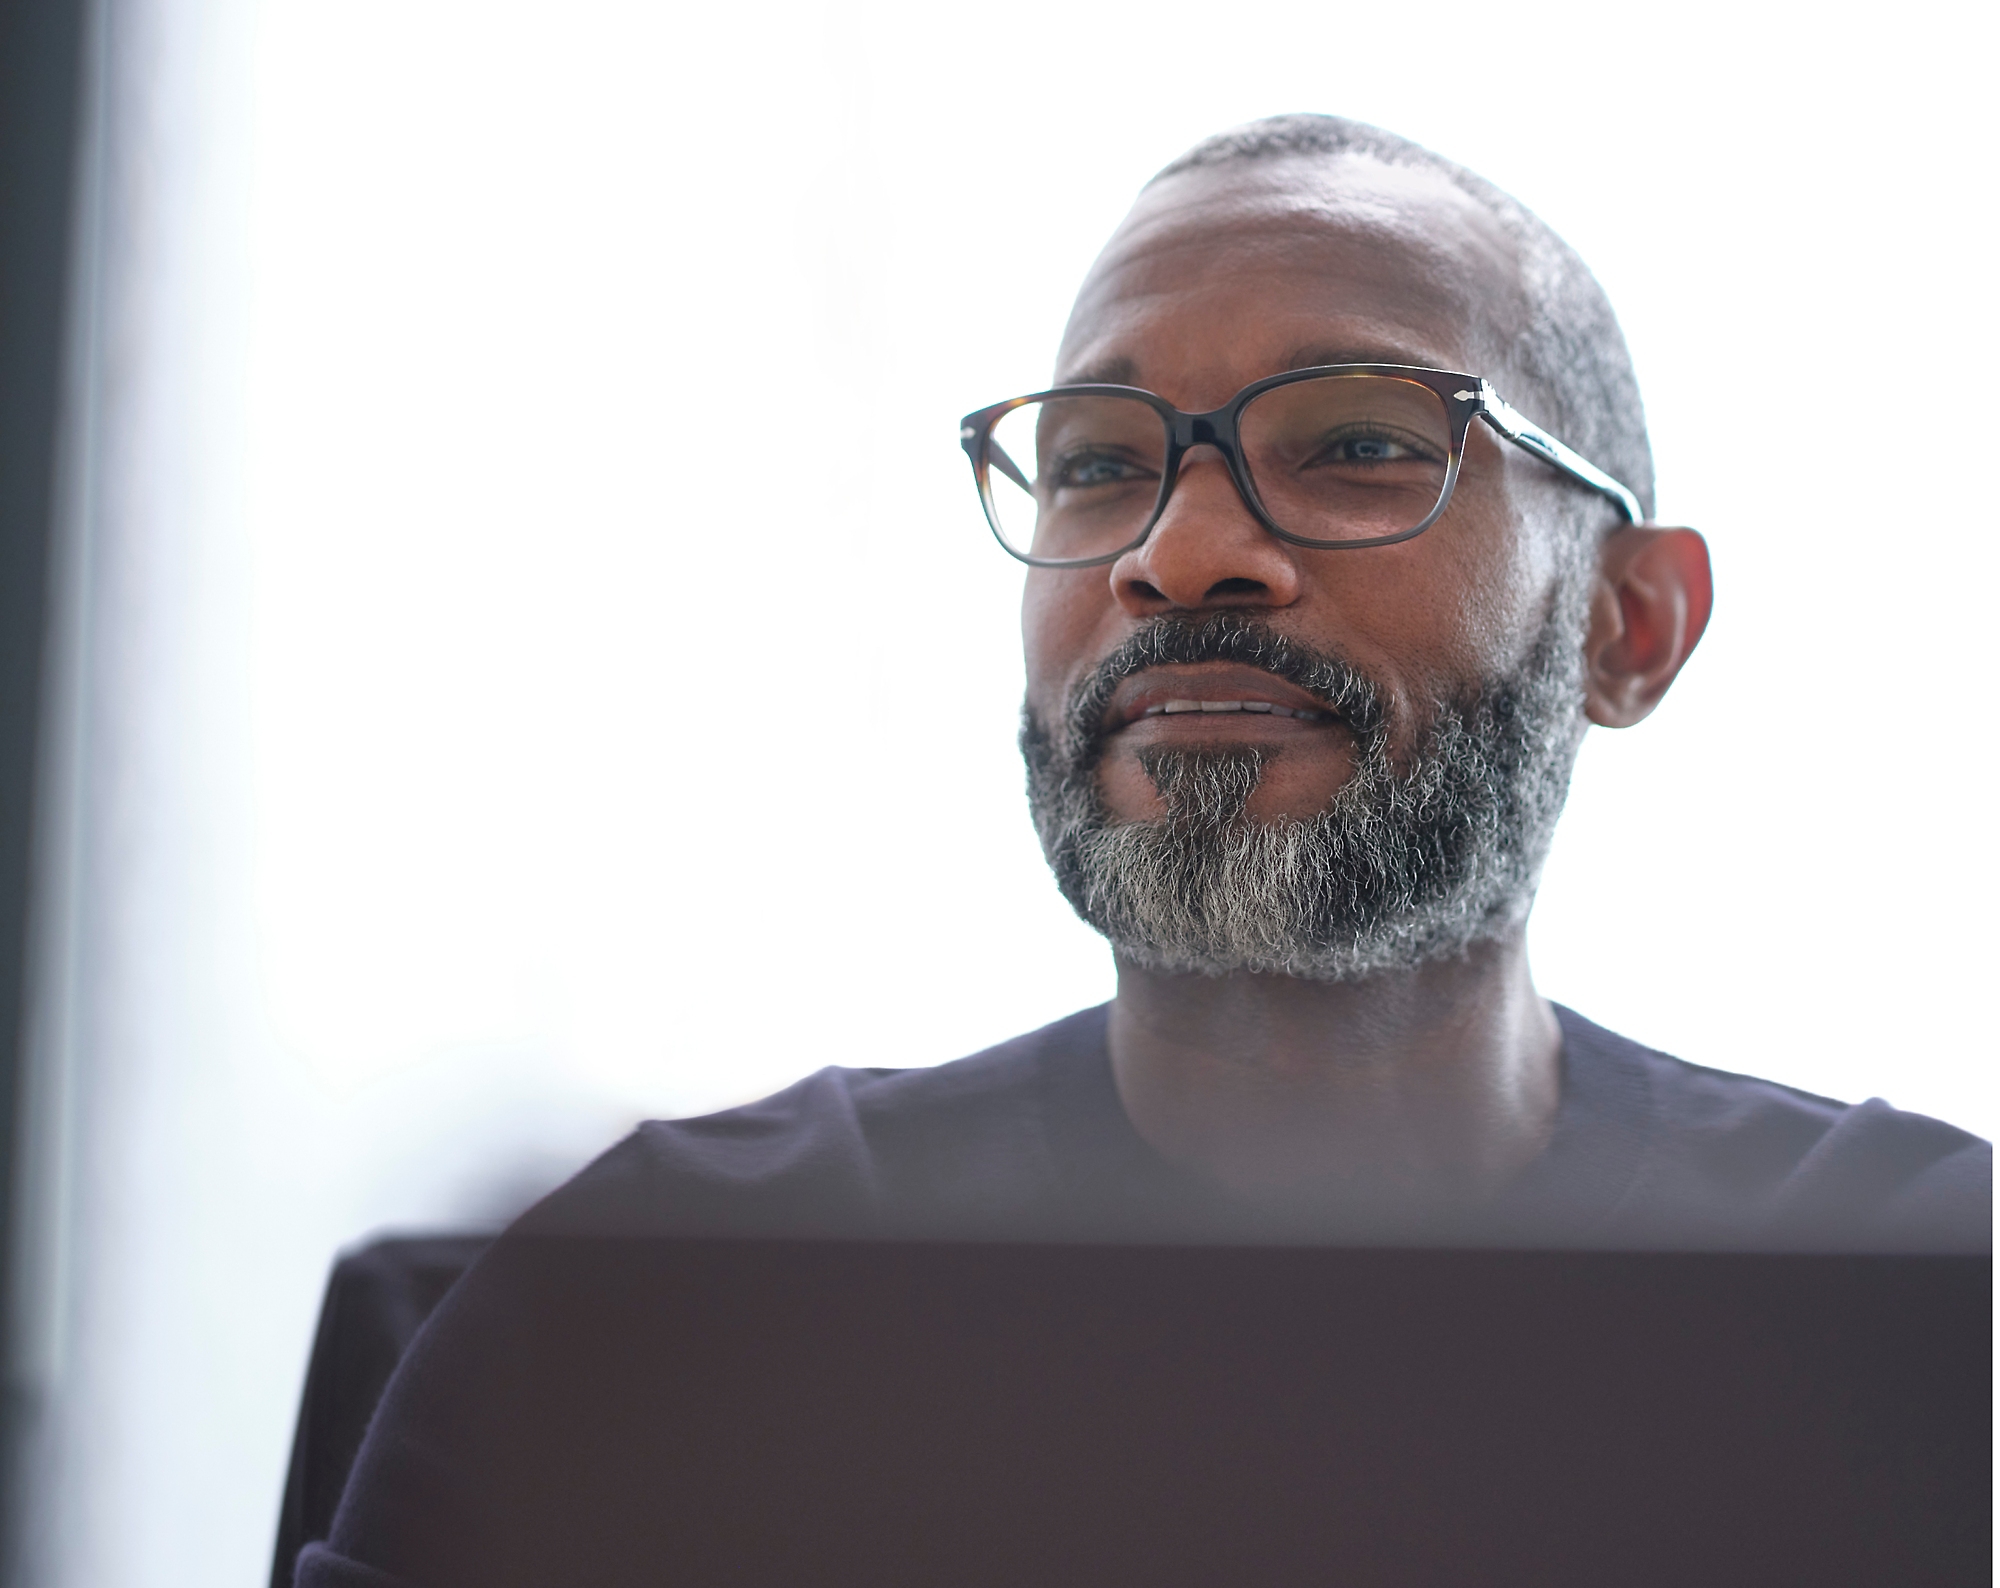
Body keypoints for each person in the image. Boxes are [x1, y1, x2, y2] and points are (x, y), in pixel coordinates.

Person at [293, 114, 1988, 1587]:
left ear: (1630, 625)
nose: (1180, 555)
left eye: (1355, 444)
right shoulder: (665, 1308)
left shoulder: (1934, 1322)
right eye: (1097, 465)